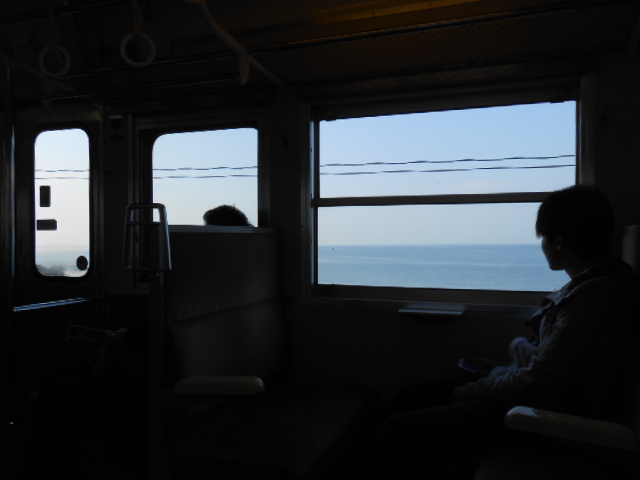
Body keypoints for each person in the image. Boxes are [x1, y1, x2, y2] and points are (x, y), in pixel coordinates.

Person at [375, 185, 637, 479]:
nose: (542, 245)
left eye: (543, 238)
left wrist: (470, 390)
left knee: (393, 430)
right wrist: (499, 368)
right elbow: (554, 362)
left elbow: (538, 383)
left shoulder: (591, 303)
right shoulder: (594, 286)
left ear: (559, 241)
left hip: (541, 417)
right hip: (536, 399)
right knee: (409, 395)